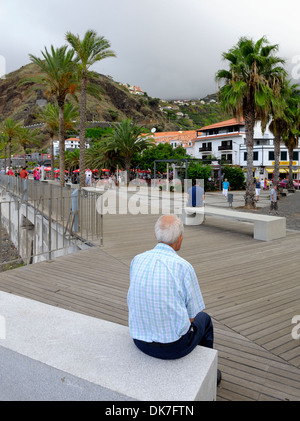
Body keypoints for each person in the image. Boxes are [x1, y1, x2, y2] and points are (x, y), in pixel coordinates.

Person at [127, 214, 221, 384]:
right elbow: (192, 316)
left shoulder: (137, 260)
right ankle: (207, 373)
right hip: (173, 347)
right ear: (180, 239)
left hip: (139, 340)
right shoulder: (183, 267)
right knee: (204, 320)